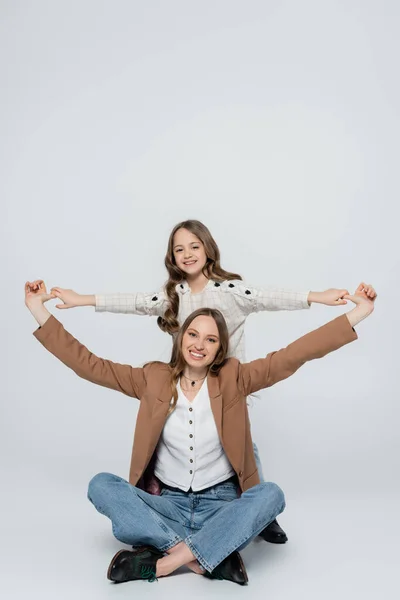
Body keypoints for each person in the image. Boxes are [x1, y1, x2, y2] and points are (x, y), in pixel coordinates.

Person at [25, 279, 376, 585]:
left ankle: (165, 561)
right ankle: (207, 555)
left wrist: (357, 314)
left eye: (210, 339)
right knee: (101, 485)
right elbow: (89, 364)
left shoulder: (236, 377)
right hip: (169, 504)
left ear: (219, 349)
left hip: (221, 503)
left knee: (271, 496)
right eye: (192, 334)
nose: (199, 344)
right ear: (180, 339)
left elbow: (294, 354)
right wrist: (37, 309)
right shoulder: (154, 378)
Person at [40, 219, 354, 544]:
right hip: (185, 384)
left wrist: (319, 297)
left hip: (229, 384)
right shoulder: (172, 299)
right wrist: (81, 300)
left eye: (194, 246)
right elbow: (130, 306)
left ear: (208, 249)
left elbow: (270, 301)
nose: (187, 254)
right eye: (179, 249)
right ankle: (203, 545)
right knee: (185, 436)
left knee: (241, 445)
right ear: (172, 258)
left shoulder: (231, 291)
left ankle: (257, 517)